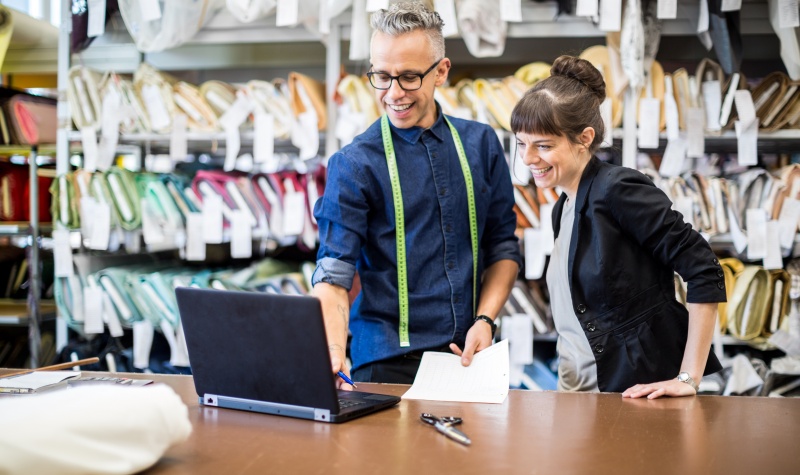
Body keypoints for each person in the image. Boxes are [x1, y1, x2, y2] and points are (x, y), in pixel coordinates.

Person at [312, 2, 521, 386]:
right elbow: (333, 273)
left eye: (409, 77)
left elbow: (503, 247)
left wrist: (485, 319)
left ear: (441, 71)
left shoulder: (481, 144)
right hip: (386, 363)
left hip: (468, 358)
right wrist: (333, 349)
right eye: (381, 76)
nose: (393, 93)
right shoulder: (353, 163)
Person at [510, 55, 725, 398]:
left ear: (584, 138)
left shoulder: (617, 189)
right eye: (521, 143)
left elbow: (703, 268)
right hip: (576, 393)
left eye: (543, 145)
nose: (527, 158)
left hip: (630, 393)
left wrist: (688, 378)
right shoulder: (562, 207)